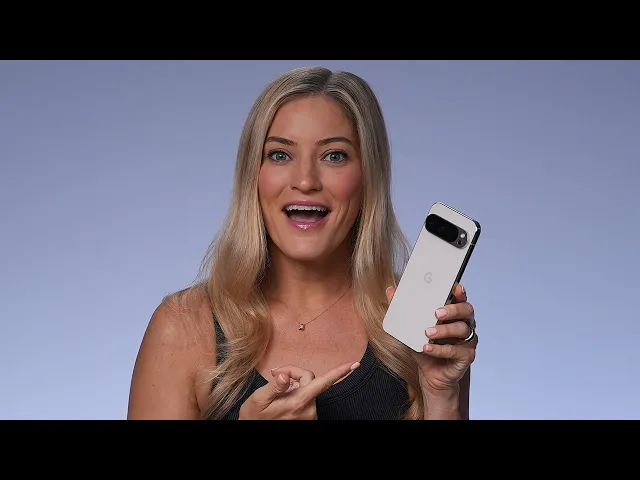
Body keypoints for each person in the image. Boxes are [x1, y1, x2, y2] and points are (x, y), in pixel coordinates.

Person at [127, 66, 478, 420]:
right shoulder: (182, 328)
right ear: (253, 175)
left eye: (334, 155)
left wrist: (441, 397)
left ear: (368, 176)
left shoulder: (420, 329)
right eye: (280, 154)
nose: (306, 181)